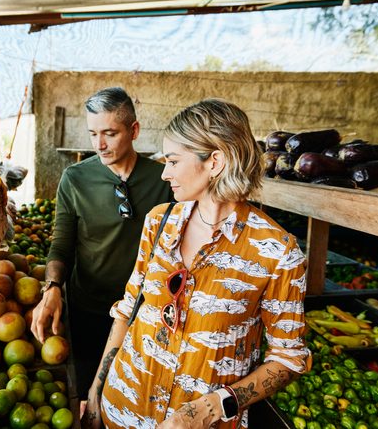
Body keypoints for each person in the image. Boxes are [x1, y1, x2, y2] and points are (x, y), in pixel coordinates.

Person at [81, 99, 311, 429]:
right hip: (121, 408)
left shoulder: (277, 252)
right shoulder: (159, 222)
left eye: (173, 161)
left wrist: (213, 407)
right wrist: (95, 392)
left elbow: (288, 359)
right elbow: (127, 312)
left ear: (214, 161)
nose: (164, 173)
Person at [30, 87, 173, 399]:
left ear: (134, 130)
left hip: (142, 315)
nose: (100, 145)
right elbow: (62, 243)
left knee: (133, 395)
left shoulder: (164, 181)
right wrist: (53, 288)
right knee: (85, 394)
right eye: (93, 133)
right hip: (87, 308)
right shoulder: (75, 179)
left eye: (110, 133)